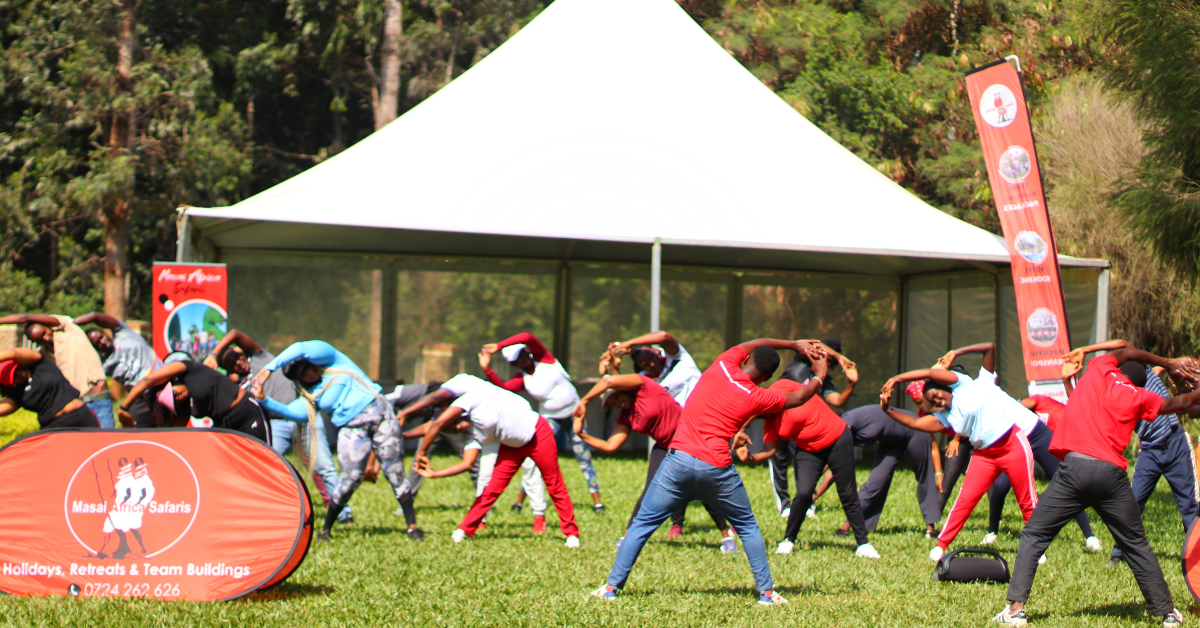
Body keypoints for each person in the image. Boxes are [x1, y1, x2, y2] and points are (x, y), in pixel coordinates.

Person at [591, 338, 826, 605]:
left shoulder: (722, 365)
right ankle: (767, 593)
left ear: (746, 359)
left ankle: (610, 588)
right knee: (748, 527)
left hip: (677, 463)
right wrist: (818, 375)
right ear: (768, 378)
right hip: (717, 468)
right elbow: (799, 397)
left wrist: (792, 344)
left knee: (641, 524)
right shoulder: (758, 396)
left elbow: (755, 342)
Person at [992, 341, 1200, 628]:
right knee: (1136, 544)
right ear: (1143, 384)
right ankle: (1167, 614)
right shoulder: (1141, 398)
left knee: (1034, 535)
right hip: (1111, 476)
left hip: (1073, 470)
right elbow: (1183, 403)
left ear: (1117, 368)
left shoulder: (1098, 370)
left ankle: (1015, 611)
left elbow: (1126, 350)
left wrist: (1168, 361)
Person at [880, 342, 1042, 563]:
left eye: (936, 393)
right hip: (985, 455)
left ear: (943, 385)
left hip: (1012, 444)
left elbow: (989, 347)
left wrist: (897, 379)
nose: (937, 399)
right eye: (932, 401)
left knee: (1027, 501)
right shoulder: (947, 417)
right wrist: (887, 410)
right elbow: (917, 424)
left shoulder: (963, 384)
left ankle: (1036, 549)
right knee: (965, 500)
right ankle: (941, 545)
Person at [250, 340, 421, 542]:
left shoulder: (336, 361)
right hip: (352, 427)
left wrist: (270, 367)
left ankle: (412, 527)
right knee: (350, 478)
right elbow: (294, 413)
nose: (310, 374)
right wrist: (264, 399)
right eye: (303, 375)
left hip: (381, 415)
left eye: (309, 369)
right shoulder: (311, 395)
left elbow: (302, 348)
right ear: (300, 380)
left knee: (394, 471)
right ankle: (327, 528)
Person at [573, 370, 736, 552]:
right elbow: (611, 446)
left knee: (700, 487)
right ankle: (628, 537)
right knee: (650, 490)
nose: (617, 403)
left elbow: (608, 380)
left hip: (688, 440)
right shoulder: (626, 415)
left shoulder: (646, 387)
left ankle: (726, 537)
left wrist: (584, 401)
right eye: (613, 404)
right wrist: (581, 434)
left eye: (617, 397)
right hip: (663, 446)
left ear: (624, 389)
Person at [205, 330, 354, 526]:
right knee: (266, 466)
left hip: (304, 416)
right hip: (276, 424)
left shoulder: (261, 359)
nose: (238, 362)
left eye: (238, 357)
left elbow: (234, 334)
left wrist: (214, 354)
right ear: (230, 371)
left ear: (243, 353)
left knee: (324, 465)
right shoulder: (238, 387)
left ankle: (343, 514)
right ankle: (270, 512)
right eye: (232, 364)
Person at [412, 373, 579, 547]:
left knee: (554, 483)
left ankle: (571, 534)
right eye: (455, 431)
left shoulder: (469, 399)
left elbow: (437, 424)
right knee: (491, 488)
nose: (458, 428)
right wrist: (435, 474)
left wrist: (421, 452)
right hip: (512, 446)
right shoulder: (472, 434)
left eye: (455, 424)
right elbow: (467, 463)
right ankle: (465, 529)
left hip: (538, 433)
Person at [734, 362, 881, 559]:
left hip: (837, 438)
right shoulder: (771, 422)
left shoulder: (781, 388)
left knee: (847, 492)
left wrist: (742, 428)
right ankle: (788, 540)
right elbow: (769, 450)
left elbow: (759, 404)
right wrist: (750, 457)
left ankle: (863, 544)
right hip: (808, 449)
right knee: (803, 493)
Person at [1095, 348, 1199, 568]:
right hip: (1150, 452)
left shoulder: (1145, 370)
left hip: (1176, 444)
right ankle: (1118, 552)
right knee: (1134, 503)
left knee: (1189, 505)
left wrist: (1168, 365)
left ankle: (1195, 555)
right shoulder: (1121, 393)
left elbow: (1124, 345)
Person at [481, 332, 605, 512]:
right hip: (549, 418)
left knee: (583, 457)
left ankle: (597, 502)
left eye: (523, 353)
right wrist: (487, 370)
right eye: (517, 358)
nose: (522, 359)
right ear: (513, 363)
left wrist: (498, 346)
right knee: (536, 456)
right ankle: (519, 501)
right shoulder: (522, 378)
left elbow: (527, 337)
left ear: (528, 352)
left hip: (574, 414)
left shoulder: (545, 360)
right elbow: (505, 389)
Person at [982, 393, 1102, 553]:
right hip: (1018, 441)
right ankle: (992, 532)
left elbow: (1027, 404)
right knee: (1000, 485)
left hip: (1040, 438)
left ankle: (1090, 536)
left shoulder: (1043, 402)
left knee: (1067, 484)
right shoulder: (1018, 410)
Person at [818, 404, 942, 537]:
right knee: (875, 483)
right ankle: (855, 526)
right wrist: (815, 493)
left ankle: (931, 528)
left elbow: (833, 464)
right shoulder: (844, 430)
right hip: (891, 439)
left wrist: (939, 473)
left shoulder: (846, 426)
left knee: (924, 477)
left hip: (914, 431)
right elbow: (833, 464)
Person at [770, 338, 856, 520]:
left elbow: (838, 401)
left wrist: (852, 384)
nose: (826, 359)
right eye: (826, 355)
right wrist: (840, 357)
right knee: (777, 459)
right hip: (779, 418)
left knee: (801, 463)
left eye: (830, 360)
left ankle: (805, 504)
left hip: (800, 426)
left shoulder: (823, 378)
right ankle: (784, 505)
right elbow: (814, 344)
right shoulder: (801, 359)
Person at [0, 313, 111, 427]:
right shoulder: (43, 356)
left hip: (97, 398)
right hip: (76, 402)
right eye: (40, 340)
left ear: (48, 326)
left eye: (44, 333)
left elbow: (24, 318)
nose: (46, 338)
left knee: (107, 440)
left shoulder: (68, 330)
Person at [120, 360, 271, 442]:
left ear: (172, 383)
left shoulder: (188, 370)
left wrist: (124, 408)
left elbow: (146, 380)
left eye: (174, 393)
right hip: (225, 426)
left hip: (246, 412)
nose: (177, 398)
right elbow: (172, 437)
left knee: (265, 460)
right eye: (175, 403)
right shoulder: (184, 409)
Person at [74, 313, 162, 429]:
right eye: (97, 344)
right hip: (140, 396)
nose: (102, 342)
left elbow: (96, 316)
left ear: (105, 332)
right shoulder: (104, 364)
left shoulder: (123, 334)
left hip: (161, 382)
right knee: (135, 430)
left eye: (101, 337)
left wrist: (71, 324)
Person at [0, 348, 101, 429]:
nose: (19, 373)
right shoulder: (17, 394)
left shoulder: (40, 366)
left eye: (17, 369)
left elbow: (13, 353)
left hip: (80, 415)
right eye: (14, 376)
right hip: (55, 426)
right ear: (12, 384)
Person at [607, 330, 704, 406]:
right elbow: (622, 391)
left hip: (705, 404)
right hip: (686, 423)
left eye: (651, 358)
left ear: (655, 350)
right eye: (645, 364)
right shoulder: (645, 379)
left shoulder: (677, 357)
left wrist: (629, 344)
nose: (652, 364)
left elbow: (664, 336)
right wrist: (615, 366)